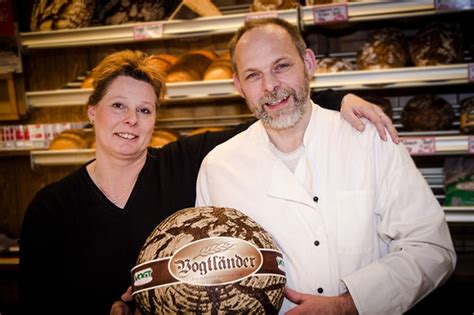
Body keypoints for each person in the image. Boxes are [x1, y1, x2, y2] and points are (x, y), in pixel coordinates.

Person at [18, 49, 396, 315]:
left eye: (144, 110)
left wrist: (338, 98)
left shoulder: (183, 163)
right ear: (92, 111)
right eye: (118, 105)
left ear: (155, 119)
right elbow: (36, 305)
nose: (131, 119)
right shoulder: (53, 207)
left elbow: (266, 115)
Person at [196, 18, 456, 314]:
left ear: (308, 63)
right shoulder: (218, 168)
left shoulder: (369, 140)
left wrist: (347, 305)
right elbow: (211, 275)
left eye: (281, 66)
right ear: (239, 86)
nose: (270, 86)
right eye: (253, 75)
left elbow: (431, 248)